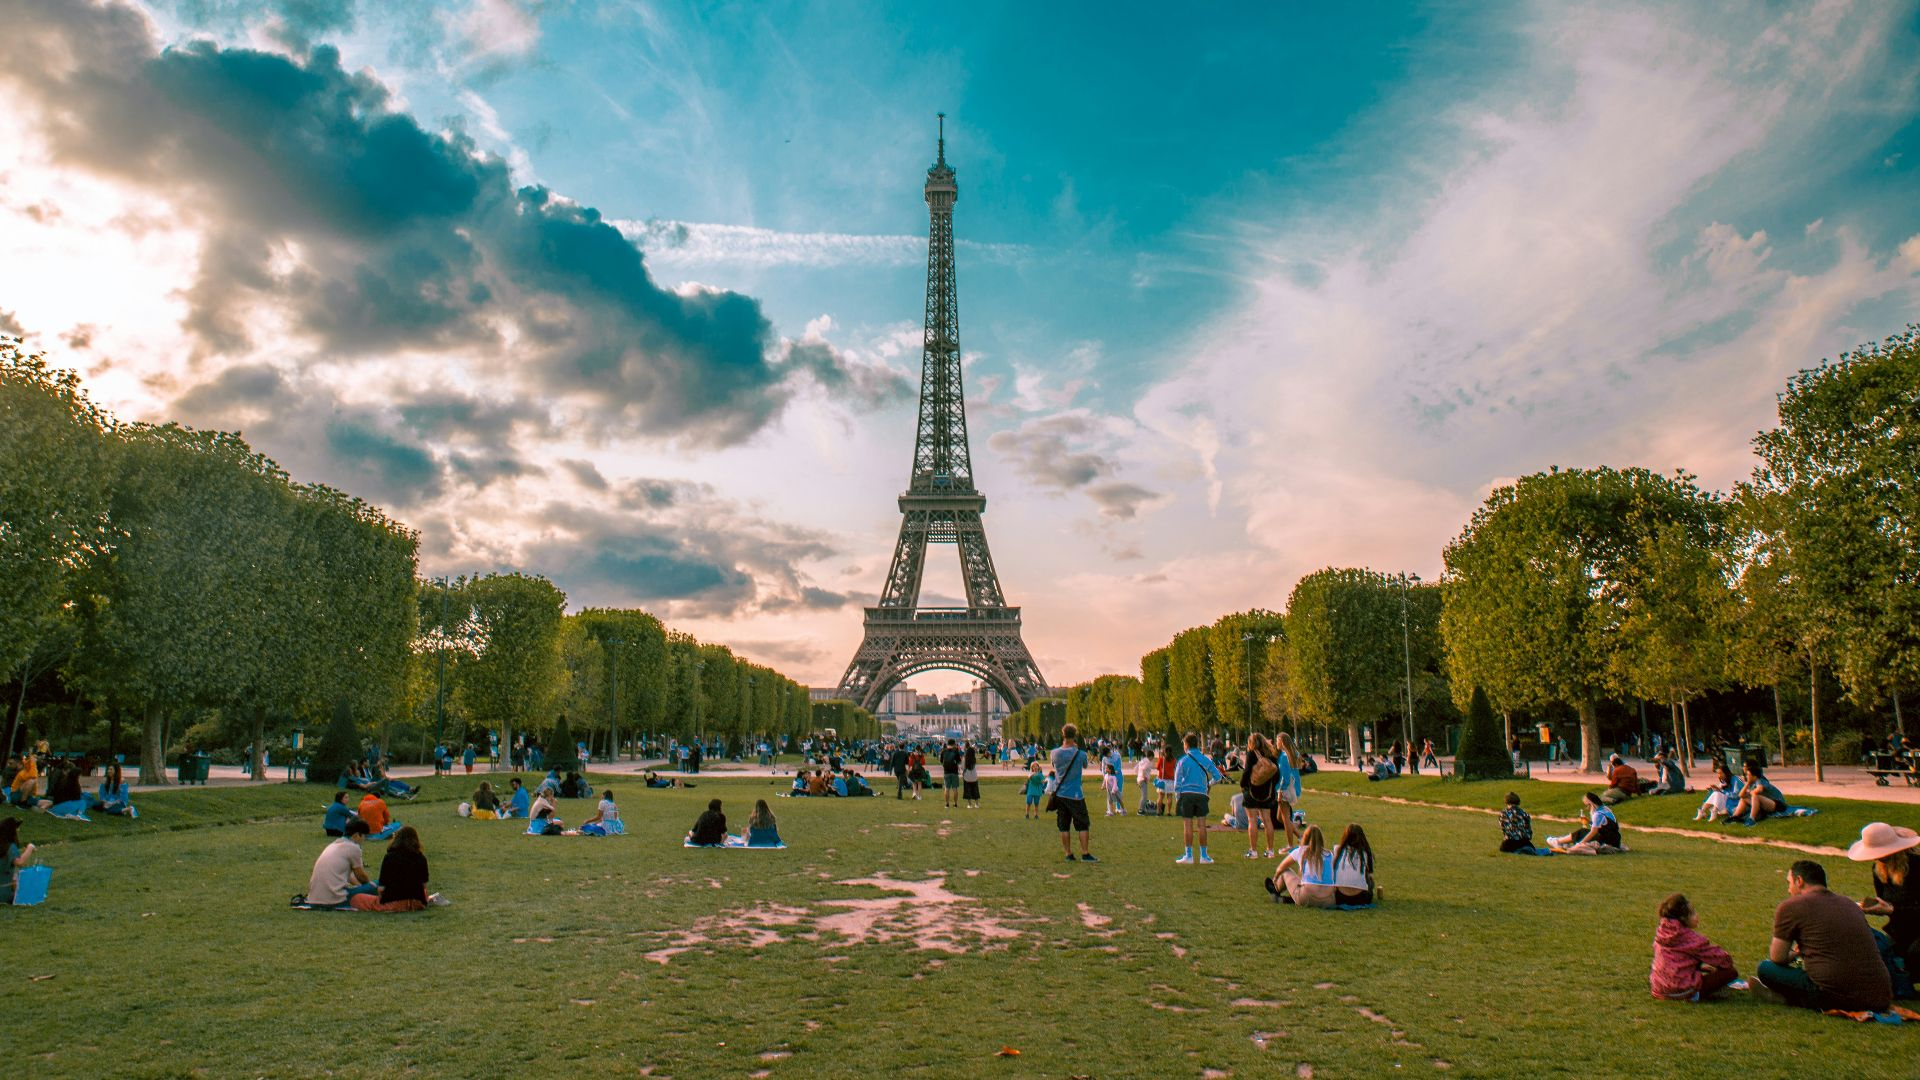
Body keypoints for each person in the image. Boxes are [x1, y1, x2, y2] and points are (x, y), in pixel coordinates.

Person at [1756, 860, 1892, 1014]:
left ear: (1799, 881)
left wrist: (1796, 953)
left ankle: (1788, 997)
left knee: (1766, 968)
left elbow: (1778, 957)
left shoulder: (1791, 906)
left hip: (1836, 996)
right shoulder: (1849, 904)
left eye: (1789, 883)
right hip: (1880, 997)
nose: (1788, 889)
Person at [1849, 822, 1920, 984]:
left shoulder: (1916, 866)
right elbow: (1885, 901)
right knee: (1879, 953)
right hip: (1901, 930)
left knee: (1914, 953)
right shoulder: (1878, 870)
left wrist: (1892, 910)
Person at [1650, 893, 1741, 1001]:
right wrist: (1720, 966)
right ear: (1683, 918)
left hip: (1659, 989)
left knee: (1706, 970)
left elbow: (1673, 961)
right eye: (1693, 913)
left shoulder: (1662, 933)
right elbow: (1723, 960)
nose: (1696, 915)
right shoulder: (1691, 939)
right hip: (1682, 990)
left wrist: (1700, 967)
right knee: (1730, 972)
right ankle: (1697, 996)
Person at [350, 825, 434, 912]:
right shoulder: (421, 858)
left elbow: (381, 889)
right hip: (417, 903)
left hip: (394, 903)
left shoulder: (389, 857)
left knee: (357, 898)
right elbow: (424, 885)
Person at [1173, 731, 1225, 866]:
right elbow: (1218, 776)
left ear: (1186, 745)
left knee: (1188, 826)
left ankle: (1188, 855)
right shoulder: (1205, 759)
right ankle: (1204, 856)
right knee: (1202, 826)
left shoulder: (1182, 761)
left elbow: (1177, 783)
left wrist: (1178, 797)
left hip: (1186, 795)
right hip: (1201, 795)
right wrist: (1208, 784)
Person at [303, 820, 376, 908]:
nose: (364, 840)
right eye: (364, 836)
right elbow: (361, 876)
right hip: (335, 899)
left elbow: (350, 877)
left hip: (314, 899)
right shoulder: (353, 847)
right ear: (356, 835)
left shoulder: (333, 845)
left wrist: (360, 887)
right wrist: (371, 886)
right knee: (379, 884)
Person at [1051, 724, 1096, 863]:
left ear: (1062, 735)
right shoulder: (1080, 754)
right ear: (1075, 736)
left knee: (1064, 825)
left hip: (1060, 794)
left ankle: (1068, 853)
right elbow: (1085, 765)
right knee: (1083, 824)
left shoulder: (1054, 753)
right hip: (1076, 794)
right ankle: (1085, 853)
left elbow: (1054, 766)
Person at [1270, 824, 1337, 907]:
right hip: (1328, 901)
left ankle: (1275, 891)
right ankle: (1287, 899)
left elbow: (1280, 868)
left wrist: (1275, 878)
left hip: (1307, 896)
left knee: (1286, 871)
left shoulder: (1300, 851)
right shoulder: (1330, 854)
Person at [1240, 732, 1281, 860]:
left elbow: (1247, 772)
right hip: (1267, 792)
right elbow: (1277, 774)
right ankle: (1270, 850)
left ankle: (1253, 851)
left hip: (1252, 790)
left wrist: (1243, 785)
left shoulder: (1252, 754)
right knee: (1267, 820)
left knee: (1252, 819)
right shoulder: (1271, 754)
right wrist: (1272, 786)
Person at [1548, 791, 1621, 853]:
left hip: (1606, 841)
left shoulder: (1597, 814)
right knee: (1584, 832)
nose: (1586, 808)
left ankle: (1558, 841)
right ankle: (1561, 841)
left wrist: (1581, 843)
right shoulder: (1606, 809)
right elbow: (1603, 827)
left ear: (1591, 804)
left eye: (1587, 805)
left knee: (1582, 832)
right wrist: (1589, 822)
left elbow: (1593, 832)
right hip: (1615, 840)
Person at [1729, 761, 1788, 825]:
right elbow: (1740, 795)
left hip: (1778, 804)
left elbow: (1758, 790)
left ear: (1754, 776)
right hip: (1765, 803)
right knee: (1743, 799)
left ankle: (1752, 819)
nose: (1743, 768)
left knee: (1755, 796)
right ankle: (1734, 817)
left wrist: (1750, 792)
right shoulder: (1751, 782)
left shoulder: (1760, 780)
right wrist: (1748, 783)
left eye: (1748, 775)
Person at [1329, 823, 1376, 905]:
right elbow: (1368, 874)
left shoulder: (1337, 850)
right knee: (1370, 881)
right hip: (1361, 898)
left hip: (1340, 897)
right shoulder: (1366, 854)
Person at [1, 818, 34, 905]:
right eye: (17, 828)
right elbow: (20, 862)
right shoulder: (10, 847)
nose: (18, 830)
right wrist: (30, 848)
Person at [1154, 744, 1177, 816]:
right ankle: (1168, 812)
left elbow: (1157, 767)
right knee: (1169, 796)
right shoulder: (1174, 760)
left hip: (1162, 779)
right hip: (1171, 780)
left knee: (1160, 796)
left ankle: (1158, 811)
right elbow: (1174, 768)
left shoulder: (1161, 759)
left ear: (1164, 751)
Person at [940, 739, 962, 808]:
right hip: (954, 771)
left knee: (947, 788)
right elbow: (959, 761)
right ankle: (955, 804)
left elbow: (941, 761)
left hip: (946, 771)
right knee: (955, 788)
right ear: (953, 744)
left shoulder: (943, 751)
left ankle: (947, 804)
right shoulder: (955, 751)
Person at [962, 744, 981, 809]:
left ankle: (970, 805)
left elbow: (962, 767)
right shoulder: (974, 759)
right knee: (975, 790)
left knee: (968, 790)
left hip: (967, 776)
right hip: (974, 776)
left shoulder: (964, 759)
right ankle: (977, 804)